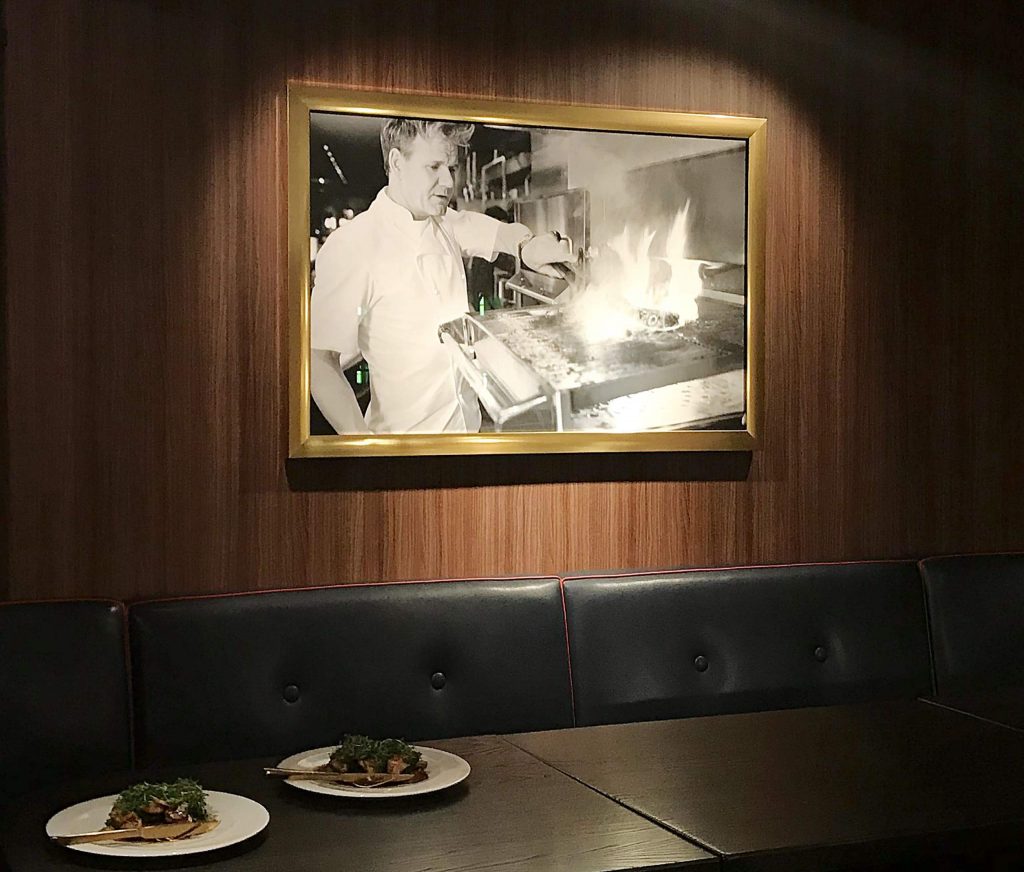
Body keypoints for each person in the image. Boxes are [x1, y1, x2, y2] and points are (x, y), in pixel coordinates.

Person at [310, 117, 574, 434]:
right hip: (403, 446)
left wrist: (527, 247)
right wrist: (365, 448)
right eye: (433, 167)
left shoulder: (443, 221)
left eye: (451, 167)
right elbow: (319, 362)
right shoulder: (353, 245)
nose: (448, 182)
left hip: (465, 432)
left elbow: (498, 233)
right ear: (397, 162)